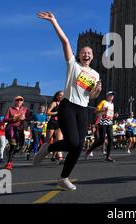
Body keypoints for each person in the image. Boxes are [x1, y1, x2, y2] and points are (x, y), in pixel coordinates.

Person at [33, 11, 102, 191]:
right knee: (72, 142)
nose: (86, 54)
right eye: (83, 52)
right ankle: (48, 148)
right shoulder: (73, 65)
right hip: (68, 106)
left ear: (93, 57)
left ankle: (64, 178)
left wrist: (95, 91)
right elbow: (64, 41)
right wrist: (54, 21)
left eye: (89, 53)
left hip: (83, 109)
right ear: (79, 55)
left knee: (78, 146)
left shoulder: (95, 74)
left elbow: (91, 96)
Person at [85, 91, 119, 162]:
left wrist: (114, 115)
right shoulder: (103, 102)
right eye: (110, 95)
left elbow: (109, 114)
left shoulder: (112, 104)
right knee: (101, 140)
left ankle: (108, 156)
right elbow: (96, 111)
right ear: (107, 96)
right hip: (102, 122)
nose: (112, 96)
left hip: (109, 123)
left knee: (110, 139)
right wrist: (102, 110)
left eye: (113, 95)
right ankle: (89, 150)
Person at [2, 96, 31, 170]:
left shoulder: (25, 109)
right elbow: (5, 119)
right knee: (13, 145)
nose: (19, 101)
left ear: (22, 102)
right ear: (15, 101)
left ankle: (9, 153)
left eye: (21, 100)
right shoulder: (10, 109)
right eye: (17, 100)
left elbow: (29, 118)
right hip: (11, 128)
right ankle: (9, 163)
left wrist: (24, 118)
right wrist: (13, 118)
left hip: (20, 129)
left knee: (21, 145)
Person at [46, 91, 64, 163]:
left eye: (62, 95)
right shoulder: (54, 103)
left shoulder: (64, 104)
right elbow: (47, 113)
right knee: (49, 141)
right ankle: (42, 153)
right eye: (60, 95)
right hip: (52, 123)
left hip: (60, 123)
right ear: (57, 96)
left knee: (59, 140)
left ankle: (59, 157)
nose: (61, 96)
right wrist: (56, 112)